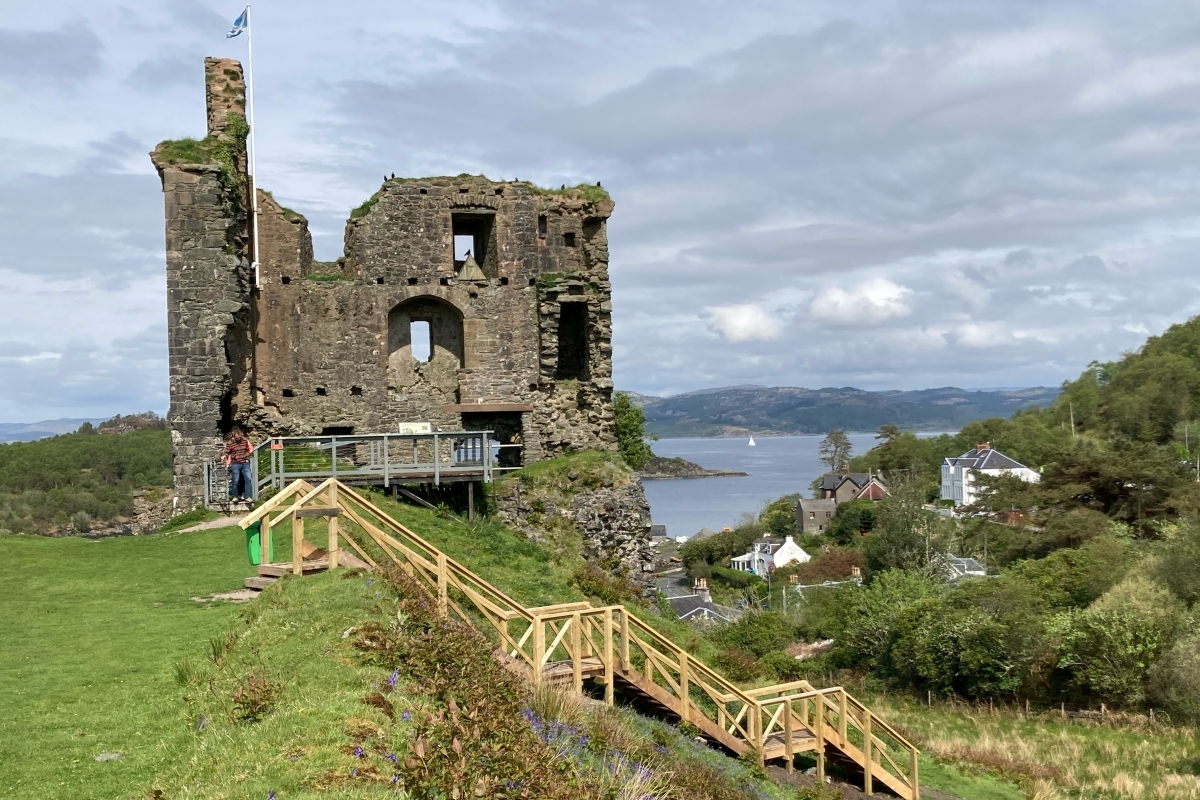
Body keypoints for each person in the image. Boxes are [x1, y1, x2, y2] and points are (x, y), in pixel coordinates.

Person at [224, 427, 253, 502]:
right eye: (236, 438)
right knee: (236, 480)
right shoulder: (230, 443)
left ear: (240, 435)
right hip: (235, 463)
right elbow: (227, 452)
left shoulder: (244, 441)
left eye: (239, 437)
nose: (238, 439)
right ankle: (235, 496)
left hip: (245, 462)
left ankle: (248, 496)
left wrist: (246, 455)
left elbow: (249, 449)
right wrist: (224, 456)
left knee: (248, 479)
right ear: (233, 436)